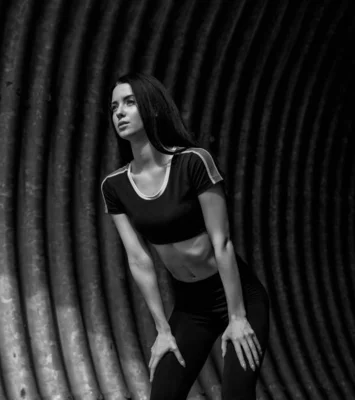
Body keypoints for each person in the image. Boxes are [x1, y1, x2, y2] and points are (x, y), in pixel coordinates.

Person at [101, 72, 270, 399]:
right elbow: (138, 260)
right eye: (113, 107)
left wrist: (237, 318)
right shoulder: (115, 186)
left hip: (237, 295)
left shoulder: (192, 162)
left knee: (236, 393)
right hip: (192, 305)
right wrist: (162, 329)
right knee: (163, 392)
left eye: (130, 102)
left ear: (151, 108)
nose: (119, 112)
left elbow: (221, 242)